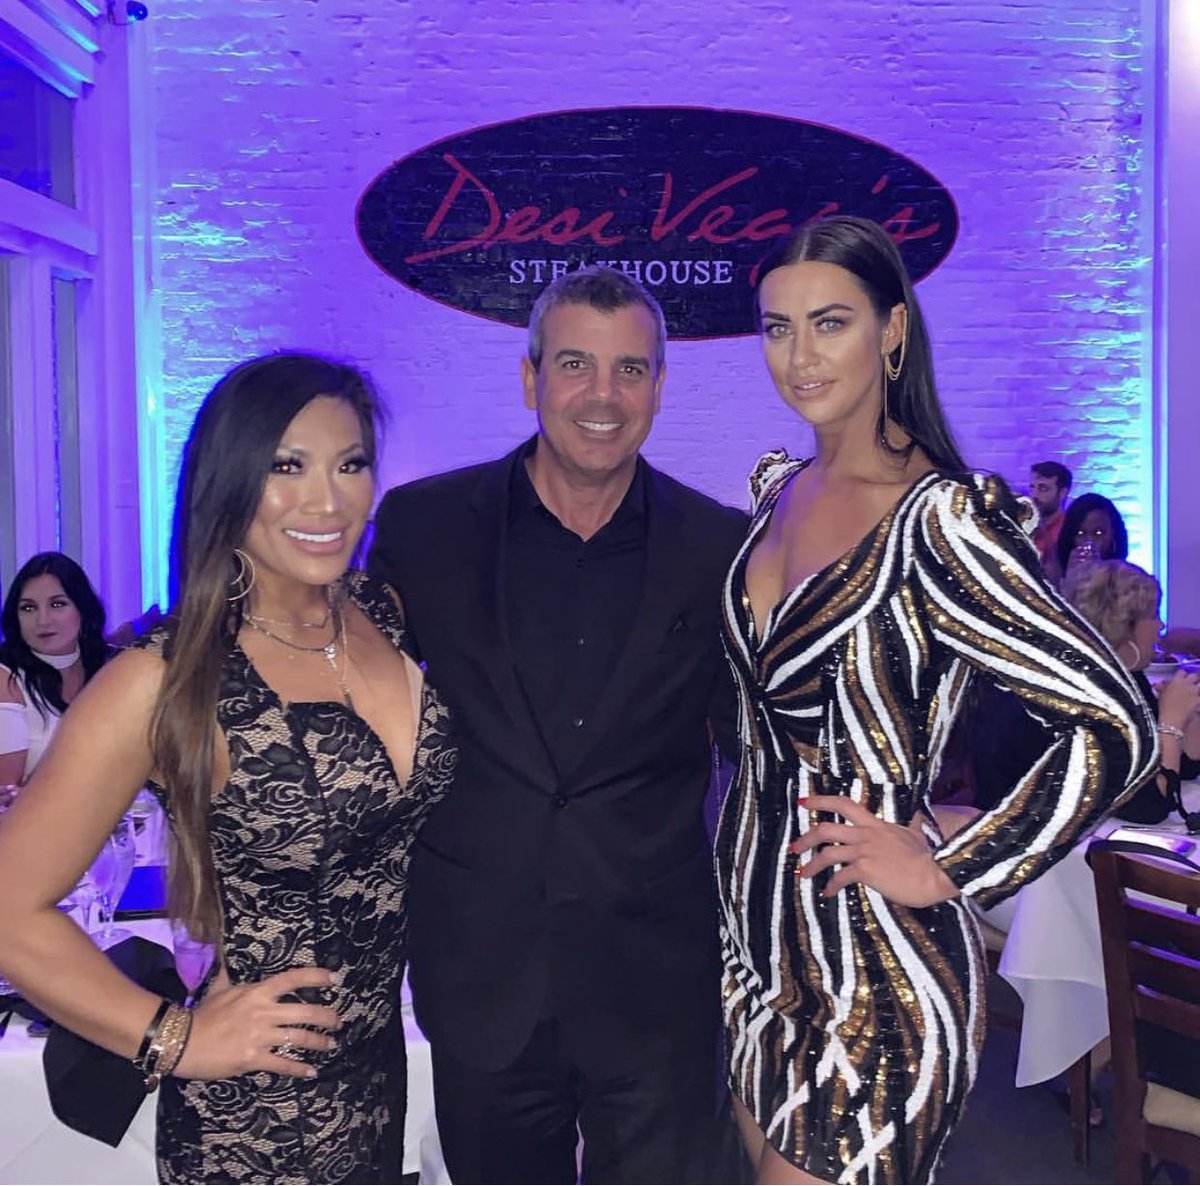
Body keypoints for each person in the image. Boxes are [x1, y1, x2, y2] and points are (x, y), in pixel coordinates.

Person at [717, 215, 1157, 1185]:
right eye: (777, 327)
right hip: (755, 952)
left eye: (830, 322)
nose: (799, 355)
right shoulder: (780, 490)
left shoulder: (941, 519)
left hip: (874, 967)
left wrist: (949, 864)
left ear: (892, 330)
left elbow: (1116, 725)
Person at [0, 352, 456, 1184]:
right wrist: (174, 1038)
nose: (327, 500)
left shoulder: (379, 614)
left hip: (373, 1087)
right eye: (287, 467)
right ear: (229, 480)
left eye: (350, 464)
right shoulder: (163, 675)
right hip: (254, 1123)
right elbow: (7, 908)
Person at [369, 265, 748, 1184]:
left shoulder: (721, 547)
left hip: (656, 978)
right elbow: (352, 710)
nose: (602, 395)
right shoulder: (423, 527)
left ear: (658, 386)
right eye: (575, 364)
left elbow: (757, 743)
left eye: (630, 369)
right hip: (483, 969)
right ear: (530, 377)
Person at [1064, 559, 1200, 823]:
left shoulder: (1131, 679)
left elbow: (1182, 770)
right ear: (1125, 625)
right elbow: (1148, 807)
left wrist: (1189, 715)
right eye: (1154, 615)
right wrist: (1170, 723)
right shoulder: (1091, 698)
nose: (1161, 626)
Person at [0, 551, 113, 787]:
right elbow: (6, 790)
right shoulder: (6, 677)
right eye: (28, 608)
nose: (43, 620)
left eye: (57, 604)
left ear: (82, 609)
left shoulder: (113, 667)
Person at [1046, 490, 1128, 588]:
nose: (1089, 542)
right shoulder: (1052, 574)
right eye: (1080, 534)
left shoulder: (1128, 580)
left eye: (1098, 533)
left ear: (1114, 535)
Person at [1028, 459, 1071, 569]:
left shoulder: (1068, 531)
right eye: (1032, 488)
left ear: (1062, 493)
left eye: (1043, 489)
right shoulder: (1023, 526)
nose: (1034, 495)